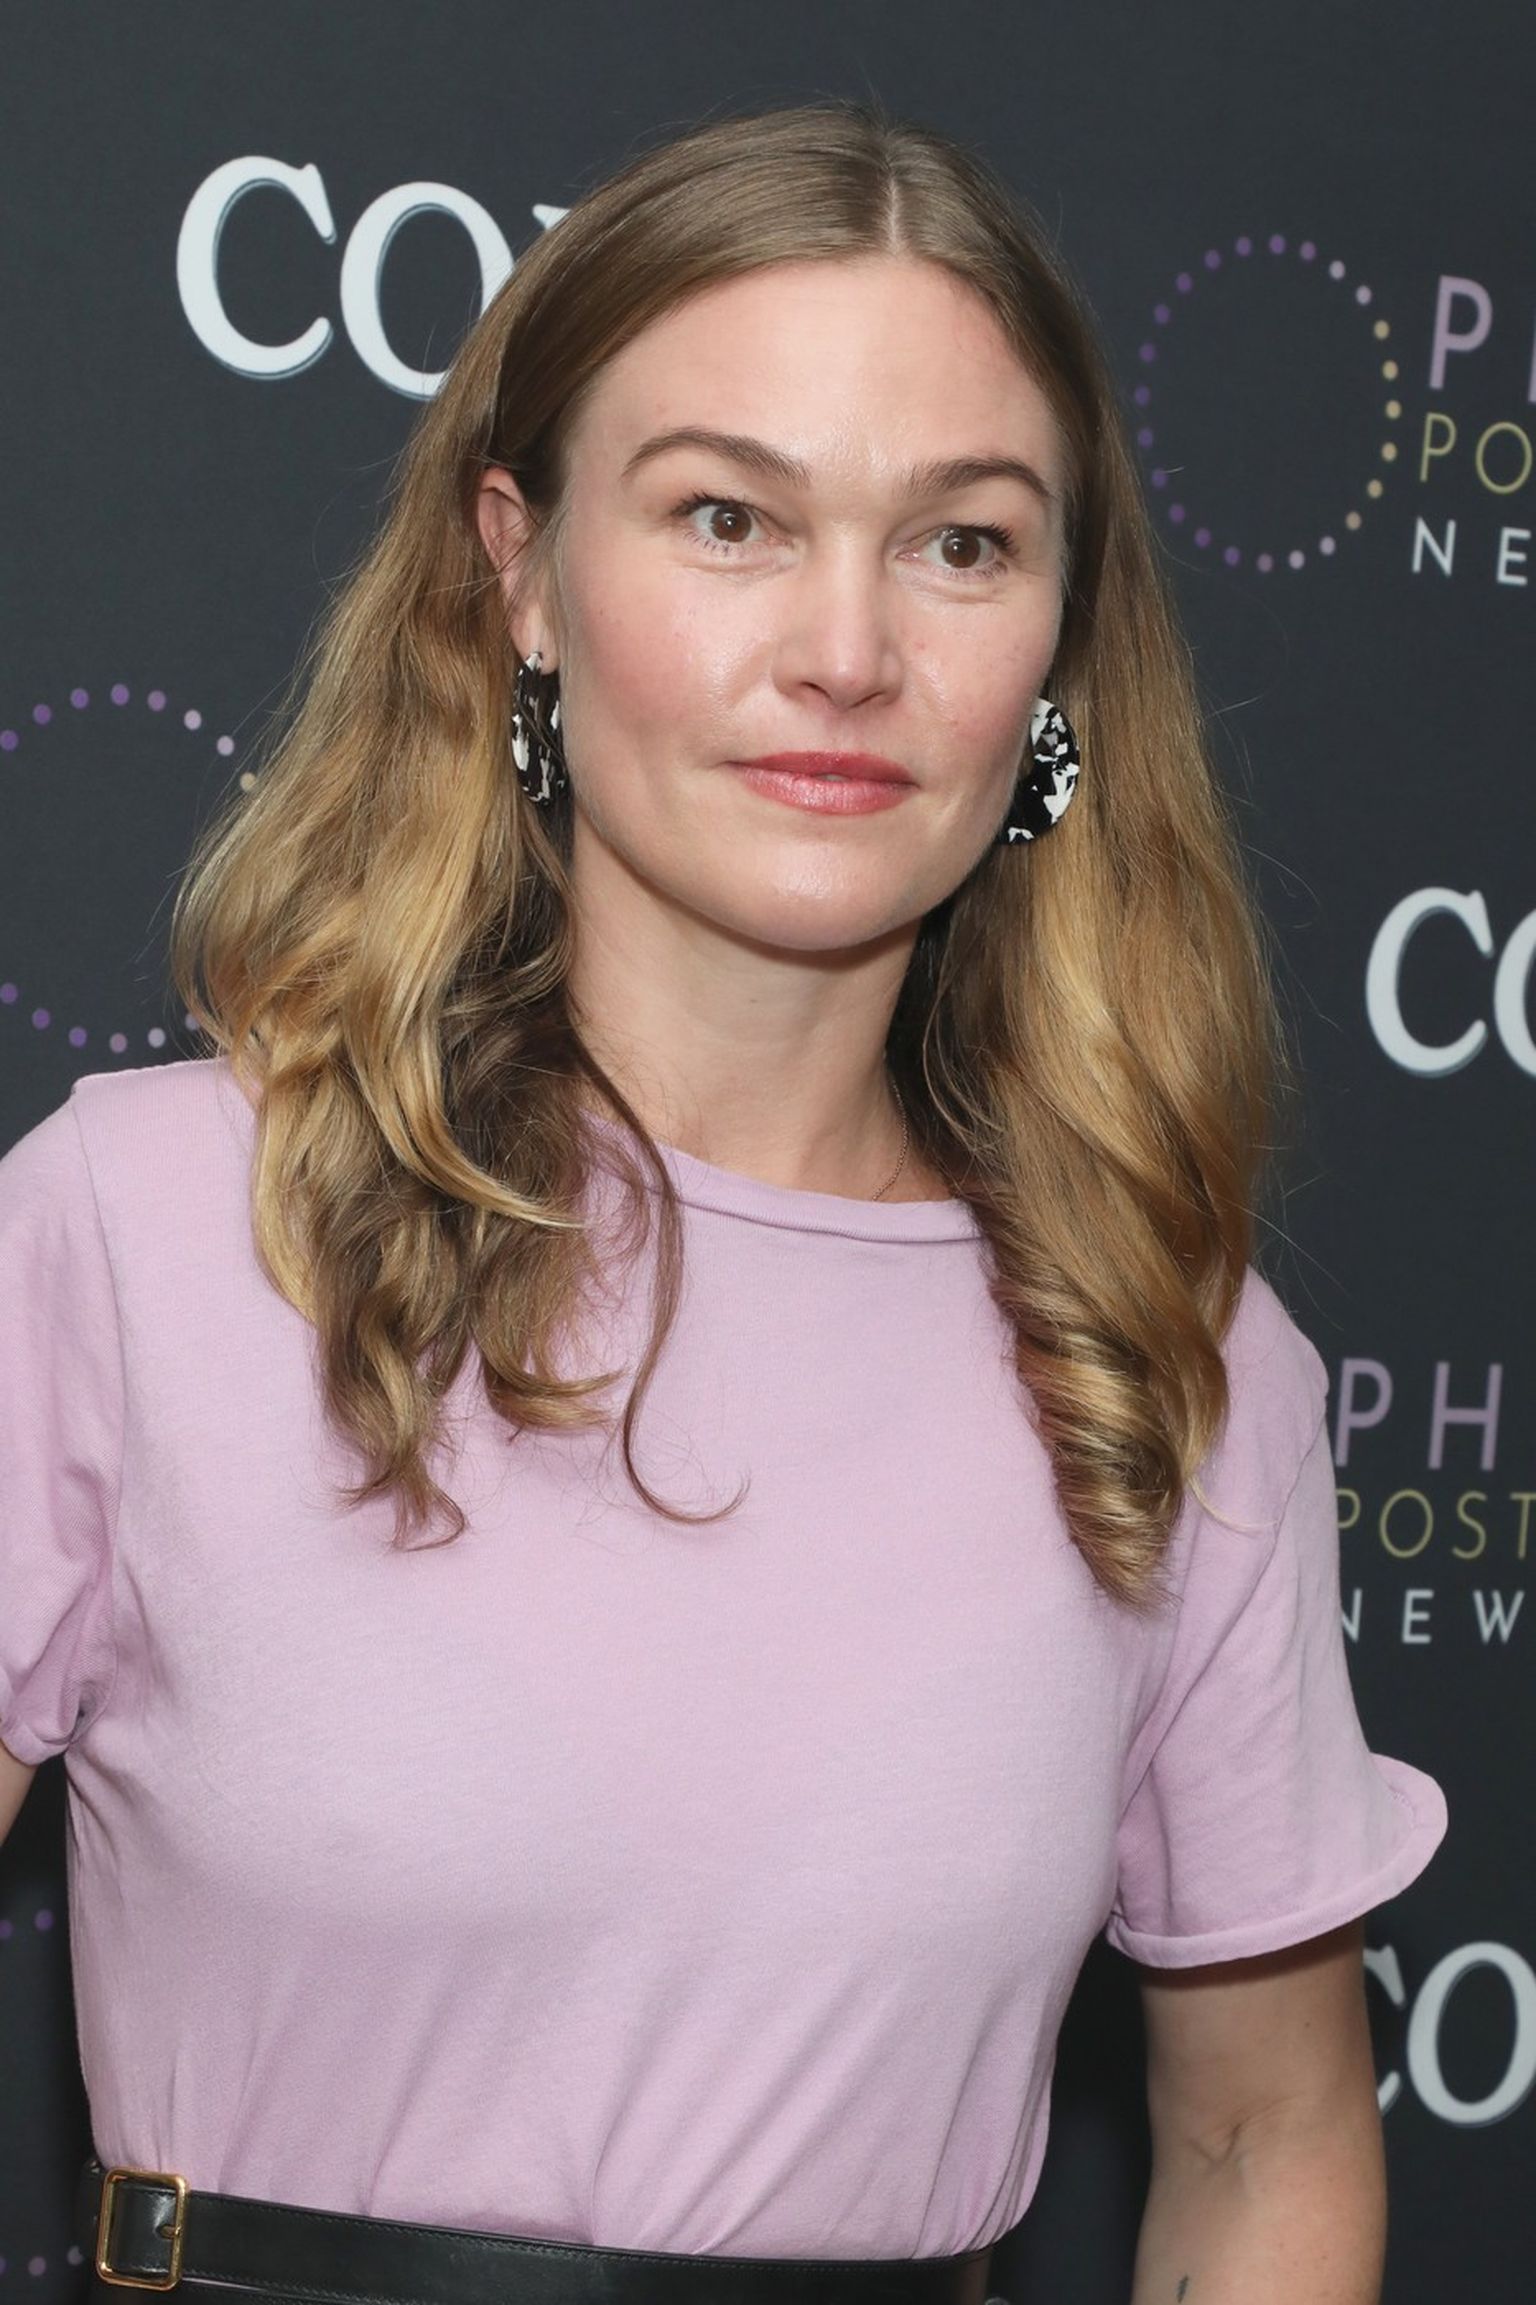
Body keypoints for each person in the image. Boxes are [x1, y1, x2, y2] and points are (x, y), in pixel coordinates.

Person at [0, 102, 1445, 2305]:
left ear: (1059, 640)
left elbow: (1266, 2137)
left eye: (961, 542)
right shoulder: (151, 1228)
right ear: (521, 572)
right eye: (727, 518)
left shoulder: (1174, 1363)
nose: (847, 650)